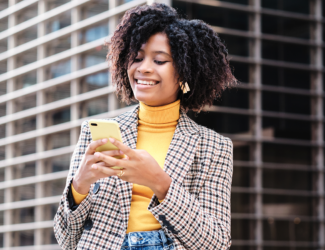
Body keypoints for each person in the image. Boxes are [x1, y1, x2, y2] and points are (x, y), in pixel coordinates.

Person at [53, 3, 236, 250]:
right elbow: (66, 239)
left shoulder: (214, 147)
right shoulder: (95, 132)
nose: (144, 68)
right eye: (137, 58)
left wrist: (161, 183)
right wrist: (79, 187)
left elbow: (216, 243)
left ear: (184, 73)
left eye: (159, 60)